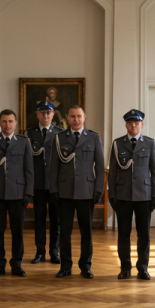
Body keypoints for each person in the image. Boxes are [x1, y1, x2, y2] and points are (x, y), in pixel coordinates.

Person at [49, 105, 104, 279]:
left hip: (86, 192)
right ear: (67, 117)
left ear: (84, 117)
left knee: (86, 231)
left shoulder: (94, 138)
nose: (76, 120)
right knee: (64, 231)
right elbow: (53, 167)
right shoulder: (59, 138)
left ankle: (85, 266)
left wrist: (98, 189)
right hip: (64, 192)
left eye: (79, 116)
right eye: (72, 116)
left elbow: (100, 166)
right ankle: (65, 266)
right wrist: (54, 189)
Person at [108, 110, 155, 280]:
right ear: (126, 125)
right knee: (123, 234)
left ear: (142, 125)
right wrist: (112, 195)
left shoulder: (150, 144)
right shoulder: (117, 144)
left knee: (144, 234)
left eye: (136, 123)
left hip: (144, 196)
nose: (133, 125)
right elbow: (113, 172)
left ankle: (143, 268)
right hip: (123, 196)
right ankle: (125, 268)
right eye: (130, 122)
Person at [0, 109, 34, 277]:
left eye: (10, 121)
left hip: (18, 193)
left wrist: (28, 192)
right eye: (4, 121)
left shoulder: (24, 142)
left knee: (17, 231)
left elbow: (29, 170)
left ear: (16, 123)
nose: (7, 124)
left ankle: (17, 264)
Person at [24, 101, 64, 264]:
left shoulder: (61, 133)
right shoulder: (29, 134)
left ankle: (54, 252)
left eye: (48, 113)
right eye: (42, 113)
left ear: (53, 114)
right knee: (39, 220)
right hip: (38, 184)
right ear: (37, 114)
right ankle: (40, 252)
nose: (45, 115)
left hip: (55, 184)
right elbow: (27, 161)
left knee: (56, 221)